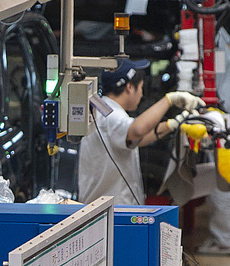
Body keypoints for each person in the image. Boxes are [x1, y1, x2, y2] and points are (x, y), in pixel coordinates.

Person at [77, 61, 203, 210]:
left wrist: (173, 124)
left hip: (113, 210)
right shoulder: (110, 114)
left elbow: (136, 140)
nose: (142, 94)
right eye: (141, 88)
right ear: (129, 87)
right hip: (111, 215)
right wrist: (169, 100)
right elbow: (137, 130)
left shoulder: (105, 108)